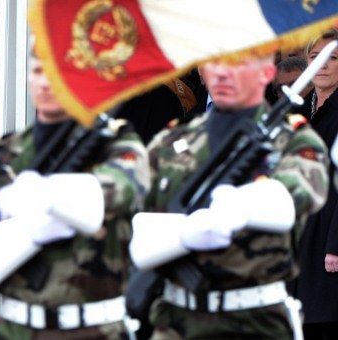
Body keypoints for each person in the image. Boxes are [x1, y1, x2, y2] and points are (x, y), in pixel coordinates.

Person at [0, 50, 150, 339]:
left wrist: (49, 197)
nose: (46, 83)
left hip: (95, 328)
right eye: (37, 73)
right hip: (15, 328)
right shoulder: (3, 155)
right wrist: (24, 233)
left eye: (56, 74)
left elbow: (120, 191)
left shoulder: (117, 146)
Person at [130, 55, 329, 339]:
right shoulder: (171, 142)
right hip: (176, 322)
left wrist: (240, 207)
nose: (222, 74)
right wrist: (183, 234)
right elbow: (135, 215)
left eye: (236, 64)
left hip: (254, 322)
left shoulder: (292, 139)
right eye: (215, 62)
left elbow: (295, 197)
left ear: (266, 72)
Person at [293, 29, 338, 340]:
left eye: (332, 57)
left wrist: (336, 244)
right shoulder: (293, 112)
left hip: (326, 237)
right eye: (314, 57)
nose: (321, 64)